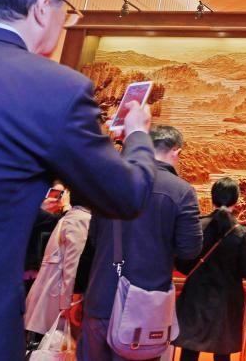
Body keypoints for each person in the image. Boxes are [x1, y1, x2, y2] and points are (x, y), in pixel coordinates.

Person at [0, 0, 157, 361]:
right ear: (44, 7)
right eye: (67, 11)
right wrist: (136, 136)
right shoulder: (53, 88)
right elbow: (125, 196)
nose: (64, 22)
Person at [74, 125, 203, 361]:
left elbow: (93, 240)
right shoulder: (181, 191)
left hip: (101, 297)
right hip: (144, 305)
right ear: (176, 152)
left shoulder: (109, 185)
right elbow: (190, 250)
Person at [174, 177, 246, 361]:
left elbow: (182, 263)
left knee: (189, 350)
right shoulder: (240, 232)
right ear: (236, 200)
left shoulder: (198, 225)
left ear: (212, 197)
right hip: (226, 301)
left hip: (195, 296)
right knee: (222, 353)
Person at [25, 191, 92, 340]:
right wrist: (67, 304)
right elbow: (72, 264)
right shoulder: (81, 218)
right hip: (59, 297)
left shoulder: (72, 216)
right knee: (58, 345)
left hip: (50, 292)